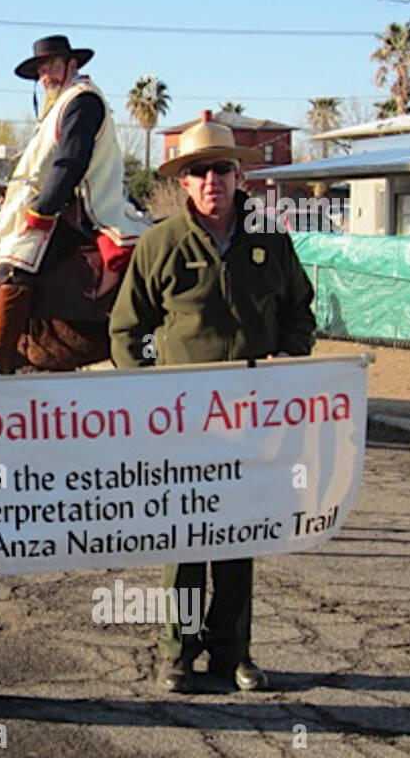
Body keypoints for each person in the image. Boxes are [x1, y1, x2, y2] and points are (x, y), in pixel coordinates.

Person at [110, 111, 317, 695]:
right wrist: (148, 393)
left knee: (239, 537)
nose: (211, 182)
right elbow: (127, 330)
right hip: (182, 424)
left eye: (221, 170)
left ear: (238, 177)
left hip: (253, 421)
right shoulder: (161, 245)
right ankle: (176, 651)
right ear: (184, 181)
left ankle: (233, 653)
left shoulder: (271, 242)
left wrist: (286, 360)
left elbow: (299, 312)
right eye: (199, 172)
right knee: (184, 538)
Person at [0, 35, 143, 374]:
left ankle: (0, 360)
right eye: (41, 70)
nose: (45, 75)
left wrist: (40, 209)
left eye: (50, 66)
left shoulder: (82, 101)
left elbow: (70, 163)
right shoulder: (61, 103)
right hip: (63, 201)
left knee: (16, 262)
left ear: (71, 65)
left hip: (88, 207)